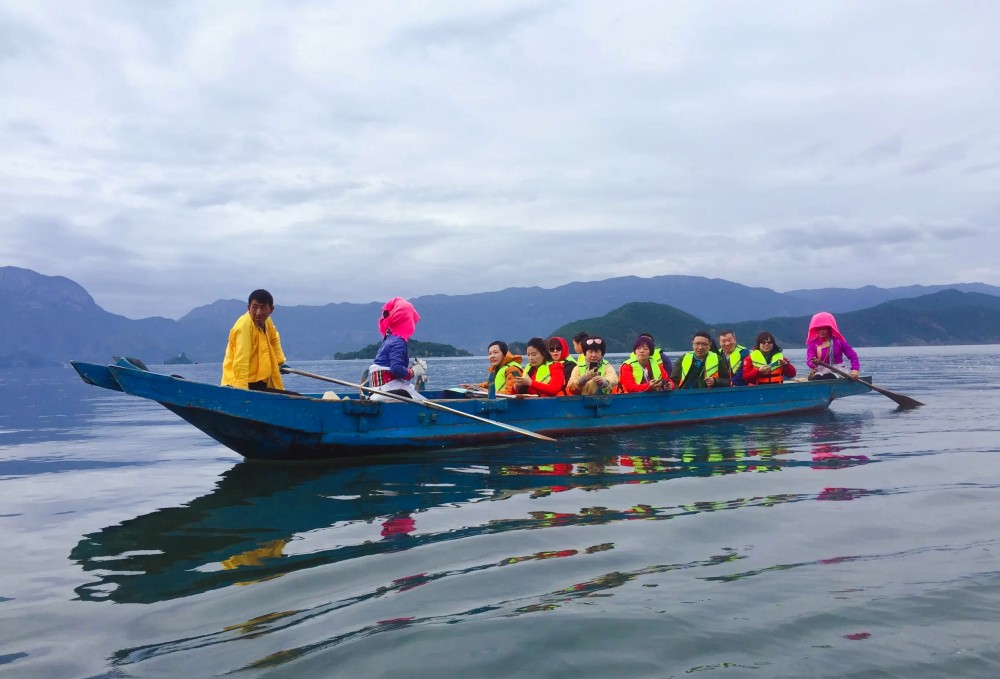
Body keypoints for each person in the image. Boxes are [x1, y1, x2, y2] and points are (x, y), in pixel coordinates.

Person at [221, 289, 290, 391]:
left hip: (257, 382)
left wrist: (280, 362)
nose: (258, 313)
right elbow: (241, 362)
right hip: (236, 385)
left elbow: (274, 339)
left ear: (271, 309)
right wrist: (242, 393)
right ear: (249, 307)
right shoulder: (244, 326)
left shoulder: (267, 322)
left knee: (293, 397)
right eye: (255, 307)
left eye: (263, 308)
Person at [367, 297, 425, 401]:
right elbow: (396, 369)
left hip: (376, 388)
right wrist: (413, 372)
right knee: (423, 402)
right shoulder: (399, 342)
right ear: (407, 319)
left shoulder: (388, 339)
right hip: (388, 388)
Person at [806, 312, 860, 380]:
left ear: (830, 329)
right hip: (820, 371)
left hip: (837, 371)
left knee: (829, 377)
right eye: (819, 328)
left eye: (824, 328)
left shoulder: (838, 341)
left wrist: (854, 371)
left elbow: (853, 356)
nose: (821, 331)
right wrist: (813, 363)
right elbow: (809, 359)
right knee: (816, 378)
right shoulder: (812, 344)